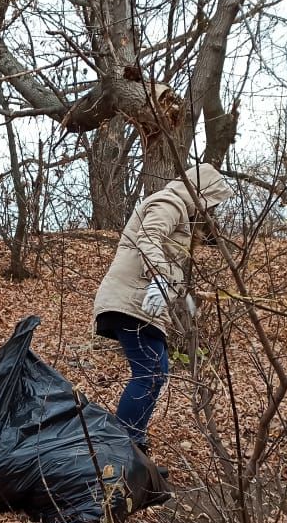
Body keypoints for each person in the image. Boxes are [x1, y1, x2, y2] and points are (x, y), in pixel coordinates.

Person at [92, 163, 234, 456]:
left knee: (156, 371)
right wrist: (158, 277)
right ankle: (122, 449)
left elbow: (167, 260)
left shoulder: (182, 213)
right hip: (131, 300)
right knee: (151, 371)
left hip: (141, 302)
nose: (212, 212)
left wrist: (183, 297)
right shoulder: (170, 202)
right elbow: (149, 238)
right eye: (212, 203)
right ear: (201, 193)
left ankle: (133, 445)